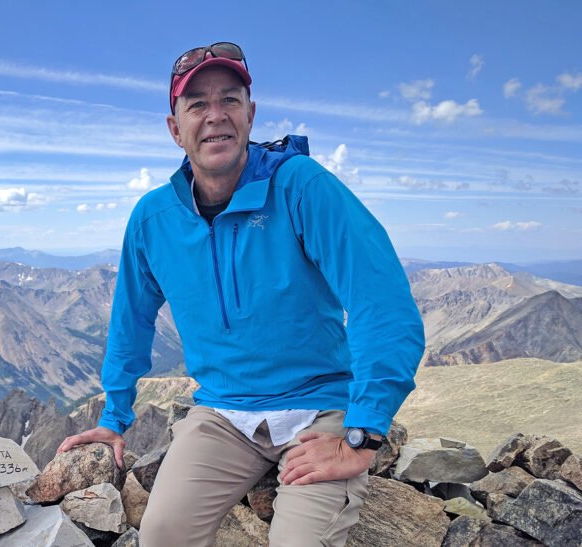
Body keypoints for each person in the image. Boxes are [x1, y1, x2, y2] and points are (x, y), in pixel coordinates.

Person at [57, 42, 425, 546]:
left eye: (230, 100)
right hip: (223, 414)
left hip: (320, 410)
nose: (216, 117)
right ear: (174, 129)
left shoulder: (301, 187)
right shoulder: (153, 219)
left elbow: (381, 303)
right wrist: (113, 418)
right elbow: (131, 322)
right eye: (197, 105)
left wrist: (362, 434)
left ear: (250, 115)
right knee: (163, 533)